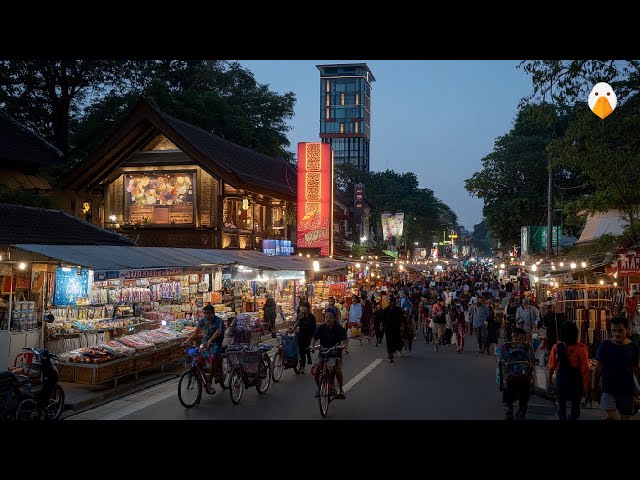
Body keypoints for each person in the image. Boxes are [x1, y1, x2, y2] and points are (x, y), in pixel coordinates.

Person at [593, 316, 640, 420]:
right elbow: (597, 369)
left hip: (627, 390)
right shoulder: (605, 345)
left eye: (620, 330)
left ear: (627, 330)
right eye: (613, 330)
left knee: (626, 417)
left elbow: (636, 368)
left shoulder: (633, 347)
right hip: (609, 389)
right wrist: (594, 387)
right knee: (609, 417)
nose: (616, 334)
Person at [547, 321, 589, 421]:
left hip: (562, 380)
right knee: (575, 407)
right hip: (576, 381)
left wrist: (549, 380)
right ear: (576, 333)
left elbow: (552, 366)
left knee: (561, 406)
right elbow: (585, 370)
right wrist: (586, 388)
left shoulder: (556, 347)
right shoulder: (582, 348)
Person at [182, 304, 224, 394]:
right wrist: (187, 340)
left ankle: (209, 382)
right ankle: (203, 376)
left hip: (215, 344)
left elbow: (218, 331)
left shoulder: (219, 321)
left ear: (213, 313)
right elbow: (196, 332)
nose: (206, 315)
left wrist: (211, 340)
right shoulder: (202, 321)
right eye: (204, 313)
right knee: (198, 358)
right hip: (204, 343)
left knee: (212, 359)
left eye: (208, 313)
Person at [310, 307, 348, 399]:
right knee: (316, 372)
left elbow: (345, 340)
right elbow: (314, 338)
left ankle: (340, 389)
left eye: (330, 317)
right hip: (323, 352)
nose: (328, 319)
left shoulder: (339, 328)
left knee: (337, 370)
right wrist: (312, 346)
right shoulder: (321, 327)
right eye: (326, 317)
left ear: (335, 318)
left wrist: (343, 346)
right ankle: (319, 388)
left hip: (335, 352)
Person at [497, 327, 534, 420]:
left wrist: (501, 382)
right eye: (523, 337)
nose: (524, 339)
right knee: (524, 400)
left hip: (510, 378)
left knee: (507, 398)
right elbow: (532, 363)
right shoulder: (527, 347)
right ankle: (521, 413)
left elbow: (500, 363)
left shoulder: (506, 346)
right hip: (524, 379)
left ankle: (509, 412)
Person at [290, 304, 317, 374]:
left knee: (307, 349)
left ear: (308, 309)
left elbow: (314, 327)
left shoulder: (311, 317)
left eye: (305, 309)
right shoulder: (301, 316)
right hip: (301, 335)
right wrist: (293, 328)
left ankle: (309, 356)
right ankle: (302, 366)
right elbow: (298, 322)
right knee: (301, 351)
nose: (304, 310)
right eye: (303, 309)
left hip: (308, 336)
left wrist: (314, 336)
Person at [383, 296, 404, 362]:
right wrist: (383, 325)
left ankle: (397, 349)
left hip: (396, 328)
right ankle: (390, 353)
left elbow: (401, 318)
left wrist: (401, 325)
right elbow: (383, 319)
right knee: (389, 341)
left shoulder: (398, 309)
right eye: (391, 302)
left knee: (396, 340)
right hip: (388, 328)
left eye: (393, 302)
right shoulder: (386, 309)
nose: (392, 303)